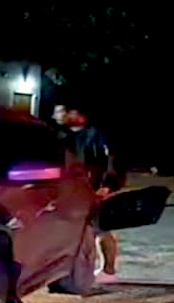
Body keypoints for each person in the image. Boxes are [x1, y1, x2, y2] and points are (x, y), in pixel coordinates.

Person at [52, 97, 125, 282]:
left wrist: (108, 186)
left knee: (101, 229)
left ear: (75, 113)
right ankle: (73, 270)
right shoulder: (61, 136)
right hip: (70, 191)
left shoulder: (98, 135)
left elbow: (113, 162)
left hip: (95, 190)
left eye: (61, 111)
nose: (56, 116)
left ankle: (108, 271)